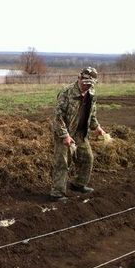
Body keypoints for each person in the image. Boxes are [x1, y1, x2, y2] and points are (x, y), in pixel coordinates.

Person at [50, 67, 106, 202]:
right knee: (62, 162)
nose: (86, 85)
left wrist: (96, 127)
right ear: (79, 78)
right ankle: (57, 193)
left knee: (88, 158)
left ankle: (78, 184)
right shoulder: (66, 93)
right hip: (64, 133)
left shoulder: (91, 93)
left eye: (90, 83)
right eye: (84, 82)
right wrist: (65, 136)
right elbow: (58, 118)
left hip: (81, 133)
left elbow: (91, 114)